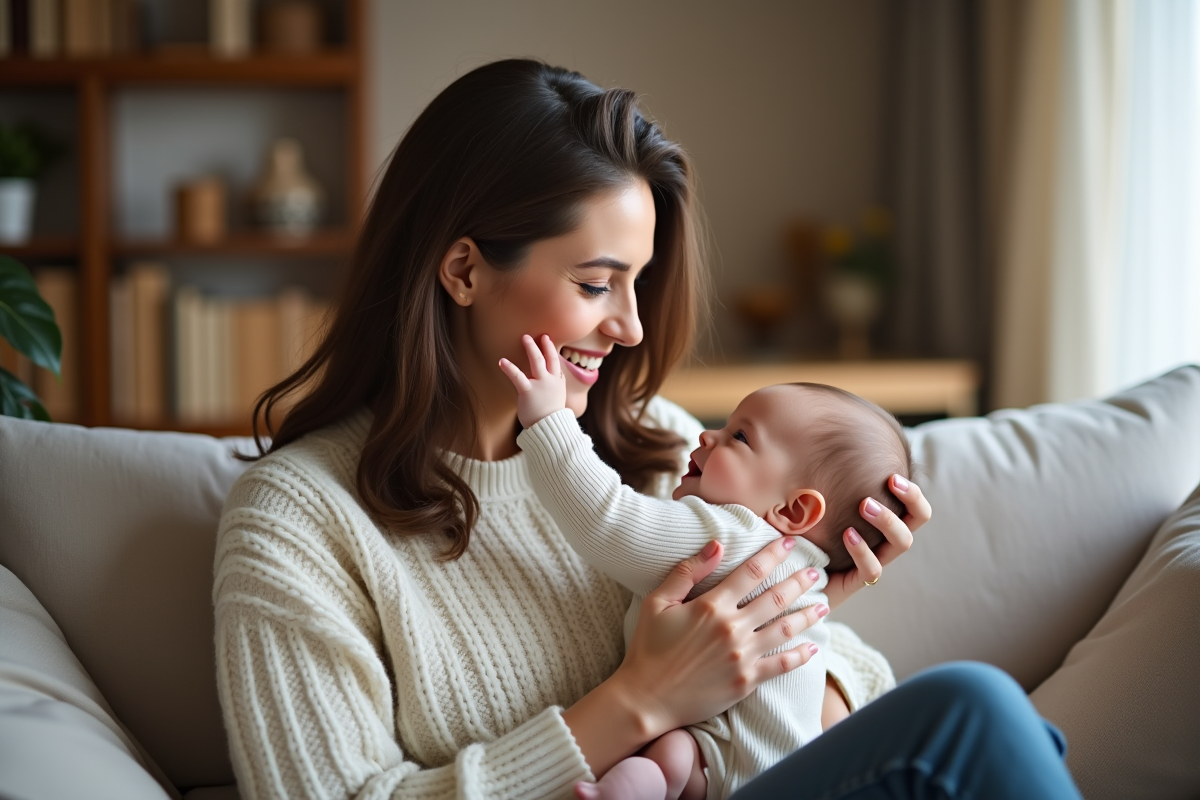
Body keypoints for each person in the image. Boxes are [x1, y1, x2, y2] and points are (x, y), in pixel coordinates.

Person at [214, 58, 1081, 800]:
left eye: (639, 283)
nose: (630, 327)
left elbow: (853, 690)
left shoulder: (661, 445)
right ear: (464, 269)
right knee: (978, 714)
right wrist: (640, 702)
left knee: (989, 729)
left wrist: (800, 599)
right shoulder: (297, 521)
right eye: (596, 284)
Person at [499, 334, 912, 800]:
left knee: (670, 758)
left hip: (756, 772)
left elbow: (609, 519)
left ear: (793, 513)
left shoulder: (736, 533)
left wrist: (549, 423)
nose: (706, 435)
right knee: (671, 757)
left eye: (739, 436)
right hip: (755, 763)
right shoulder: (803, 573)